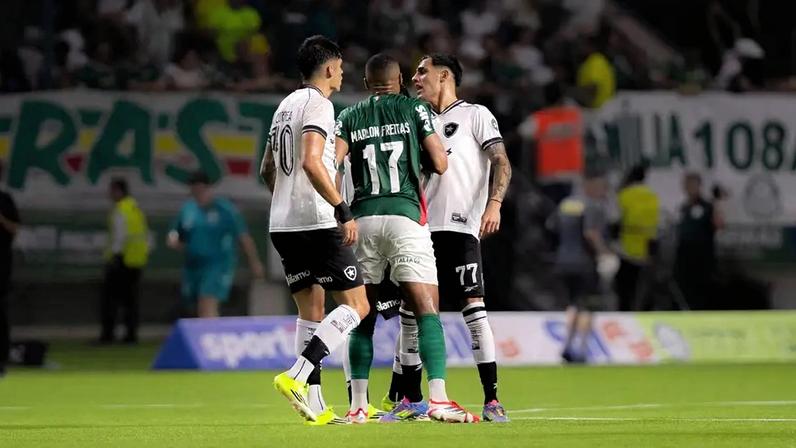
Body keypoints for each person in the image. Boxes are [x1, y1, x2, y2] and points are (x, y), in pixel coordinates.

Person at [335, 52, 478, 423]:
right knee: (425, 307)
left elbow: (331, 162)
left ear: (367, 84)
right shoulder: (414, 110)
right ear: (399, 80)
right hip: (404, 217)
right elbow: (441, 163)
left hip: (363, 219)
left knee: (362, 314)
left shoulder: (349, 116)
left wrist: (341, 210)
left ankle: (358, 405)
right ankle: (438, 398)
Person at [380, 53, 512, 423]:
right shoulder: (413, 116)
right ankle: (410, 398)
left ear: (445, 76)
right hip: (418, 230)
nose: (416, 77)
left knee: (473, 308)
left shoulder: (475, 115)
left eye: (423, 71)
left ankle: (492, 399)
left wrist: (495, 203)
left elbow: (501, 160)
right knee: (412, 312)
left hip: (461, 228)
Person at [260, 35, 370, 426]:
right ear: (327, 69)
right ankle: (297, 375)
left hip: (283, 223)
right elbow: (310, 160)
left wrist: (287, 202)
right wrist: (342, 209)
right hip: (317, 221)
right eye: (339, 67)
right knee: (358, 306)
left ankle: (318, 406)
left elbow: (267, 170)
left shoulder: (283, 107)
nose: (341, 74)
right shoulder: (319, 105)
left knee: (311, 311)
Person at [166, 172, 264, 318]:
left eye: (201, 189)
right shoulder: (188, 209)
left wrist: (254, 263)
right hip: (193, 265)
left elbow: (243, 237)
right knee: (197, 306)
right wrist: (174, 241)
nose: (198, 194)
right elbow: (175, 233)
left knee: (207, 302)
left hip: (218, 264)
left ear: (208, 188)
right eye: (195, 190)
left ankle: (210, 336)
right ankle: (206, 334)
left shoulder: (224, 209)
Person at [549, 171, 615, 363]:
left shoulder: (565, 204)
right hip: (584, 263)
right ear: (591, 186)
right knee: (586, 306)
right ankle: (582, 350)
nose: (605, 192)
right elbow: (591, 233)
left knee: (572, 304)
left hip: (563, 261)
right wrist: (604, 252)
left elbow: (552, 227)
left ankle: (567, 347)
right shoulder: (592, 205)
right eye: (602, 187)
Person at [99, 178, 149, 344]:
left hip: (121, 259)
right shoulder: (135, 208)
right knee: (131, 301)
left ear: (118, 191)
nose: (109, 194)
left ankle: (108, 334)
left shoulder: (121, 209)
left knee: (110, 300)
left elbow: (120, 236)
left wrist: (114, 256)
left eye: (112, 191)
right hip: (136, 260)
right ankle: (131, 335)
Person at [675, 173, 724, 310]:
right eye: (687, 184)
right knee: (683, 288)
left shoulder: (707, 206)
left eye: (693, 184)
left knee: (703, 290)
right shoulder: (683, 208)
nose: (690, 188)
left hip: (702, 256)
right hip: (684, 255)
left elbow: (719, 224)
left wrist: (718, 203)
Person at [614, 164, 659, 311]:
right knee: (642, 289)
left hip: (626, 250)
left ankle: (625, 315)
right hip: (645, 249)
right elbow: (654, 225)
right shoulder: (652, 197)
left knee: (624, 290)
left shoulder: (624, 195)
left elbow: (616, 220)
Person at [0, 163, 19, 376]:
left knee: (1, 313)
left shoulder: (5, 200)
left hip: (2, 267)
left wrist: (2, 220)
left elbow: (15, 229)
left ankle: (2, 359)